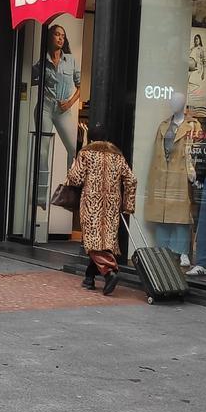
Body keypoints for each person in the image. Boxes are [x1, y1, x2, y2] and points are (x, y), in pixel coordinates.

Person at [66, 123, 137, 295]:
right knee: (104, 242)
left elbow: (75, 179)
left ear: (90, 138)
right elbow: (131, 179)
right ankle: (89, 278)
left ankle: (110, 272)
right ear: (106, 138)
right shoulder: (117, 156)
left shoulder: (86, 154)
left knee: (93, 243)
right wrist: (128, 204)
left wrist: (72, 167)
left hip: (92, 204)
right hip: (112, 205)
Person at [33, 24, 82, 172]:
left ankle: (70, 187)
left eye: (63, 36)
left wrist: (70, 103)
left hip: (63, 111)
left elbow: (80, 87)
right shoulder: (42, 62)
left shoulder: (71, 60)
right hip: (45, 108)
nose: (60, 38)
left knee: (74, 149)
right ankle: (41, 193)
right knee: (42, 152)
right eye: (57, 34)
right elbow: (29, 79)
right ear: (50, 37)